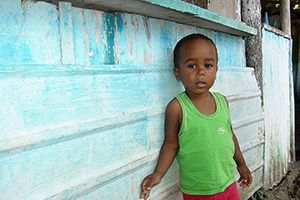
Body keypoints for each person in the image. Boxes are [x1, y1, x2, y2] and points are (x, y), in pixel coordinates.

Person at [140, 33, 252, 200]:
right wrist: (158, 173)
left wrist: (241, 165)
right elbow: (171, 144)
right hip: (198, 192)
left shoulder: (222, 101)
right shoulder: (177, 107)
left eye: (208, 65)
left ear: (216, 70)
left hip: (228, 185)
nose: (200, 72)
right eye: (192, 66)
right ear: (178, 74)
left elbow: (230, 135)